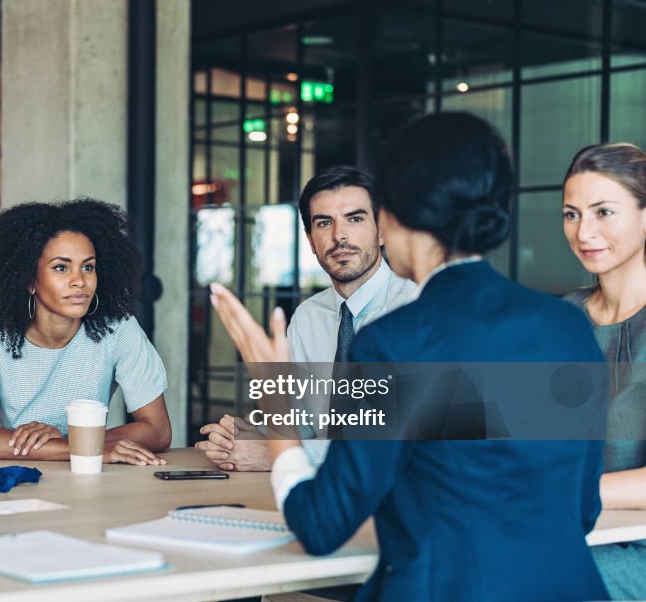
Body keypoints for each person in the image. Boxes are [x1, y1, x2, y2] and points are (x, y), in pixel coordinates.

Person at [209, 113, 608, 601]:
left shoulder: (395, 342)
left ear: (391, 219)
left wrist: (275, 401)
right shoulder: (566, 324)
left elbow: (321, 525)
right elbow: (582, 509)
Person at [195, 166, 415, 472]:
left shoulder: (416, 311)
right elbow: (303, 426)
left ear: (381, 231)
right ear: (311, 241)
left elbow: (403, 444)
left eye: (355, 218)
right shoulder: (308, 317)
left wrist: (277, 454)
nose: (340, 236)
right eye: (324, 223)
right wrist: (250, 437)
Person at [0, 199, 172, 465]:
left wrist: (71, 443)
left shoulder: (119, 330)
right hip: (16, 479)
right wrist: (81, 449)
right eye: (61, 267)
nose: (79, 280)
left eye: (88, 267)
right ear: (30, 280)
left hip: (87, 479)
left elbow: (158, 430)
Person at [561, 142, 646, 600]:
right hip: (565, 529)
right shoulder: (560, 319)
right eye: (571, 214)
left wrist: (563, 487)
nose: (583, 231)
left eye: (603, 212)